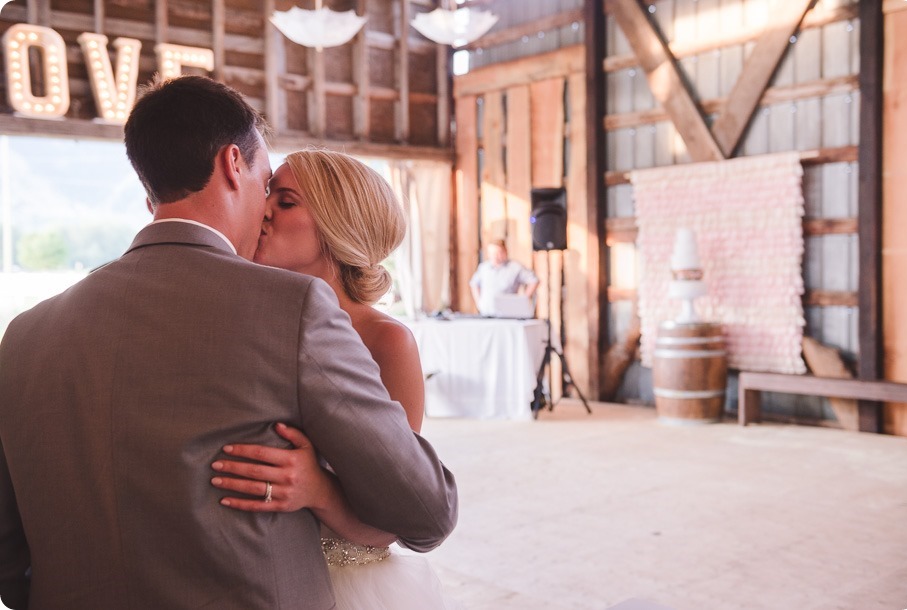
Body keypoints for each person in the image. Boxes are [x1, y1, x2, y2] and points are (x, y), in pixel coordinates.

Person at [0, 76, 457, 610]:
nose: (264, 209)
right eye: (268, 185)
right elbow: (426, 512)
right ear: (232, 164)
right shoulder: (294, 310)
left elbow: (11, 561)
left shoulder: (24, 334)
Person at [208, 149, 459, 609]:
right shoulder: (247, 321)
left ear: (335, 223)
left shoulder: (386, 342)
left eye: (285, 202)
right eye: (267, 196)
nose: (262, 210)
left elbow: (395, 520)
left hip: (345, 588)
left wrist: (317, 490)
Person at [469, 238, 539, 316]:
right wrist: (479, 302)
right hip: (486, 313)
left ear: (505, 251)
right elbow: (474, 284)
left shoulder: (515, 267)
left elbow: (534, 281)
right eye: (492, 253)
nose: (495, 256)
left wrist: (523, 299)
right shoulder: (483, 268)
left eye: (498, 253)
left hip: (507, 314)